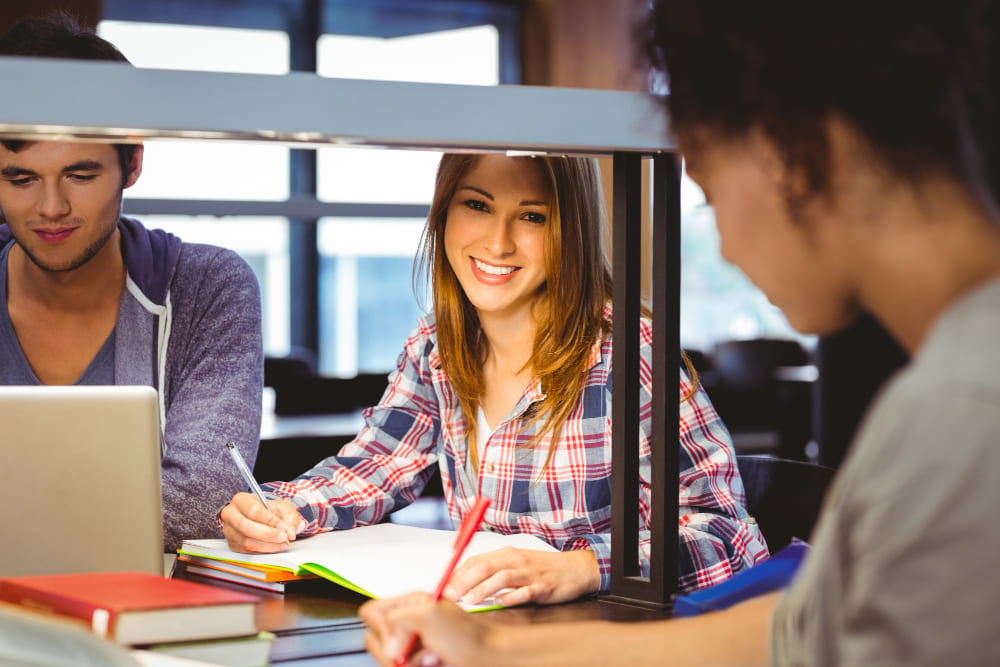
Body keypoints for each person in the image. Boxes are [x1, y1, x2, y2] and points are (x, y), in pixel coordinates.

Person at [359, 1, 1000, 664]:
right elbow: (797, 632)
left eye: (708, 189)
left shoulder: (960, 419)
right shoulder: (944, 395)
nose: (724, 246)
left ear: (791, 151)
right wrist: (495, 646)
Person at [221, 152, 767, 606]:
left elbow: (728, 538)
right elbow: (375, 468)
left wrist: (580, 568)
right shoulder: (435, 349)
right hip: (488, 637)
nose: (499, 243)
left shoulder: (629, 355)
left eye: (532, 217)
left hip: (608, 646)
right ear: (443, 212)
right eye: (477, 205)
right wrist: (281, 508)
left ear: (568, 230)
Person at [0, 14, 264, 552]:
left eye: (81, 175)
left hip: (143, 613)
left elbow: (204, 500)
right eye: (20, 179)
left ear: (133, 162)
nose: (51, 209)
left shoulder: (206, 287)